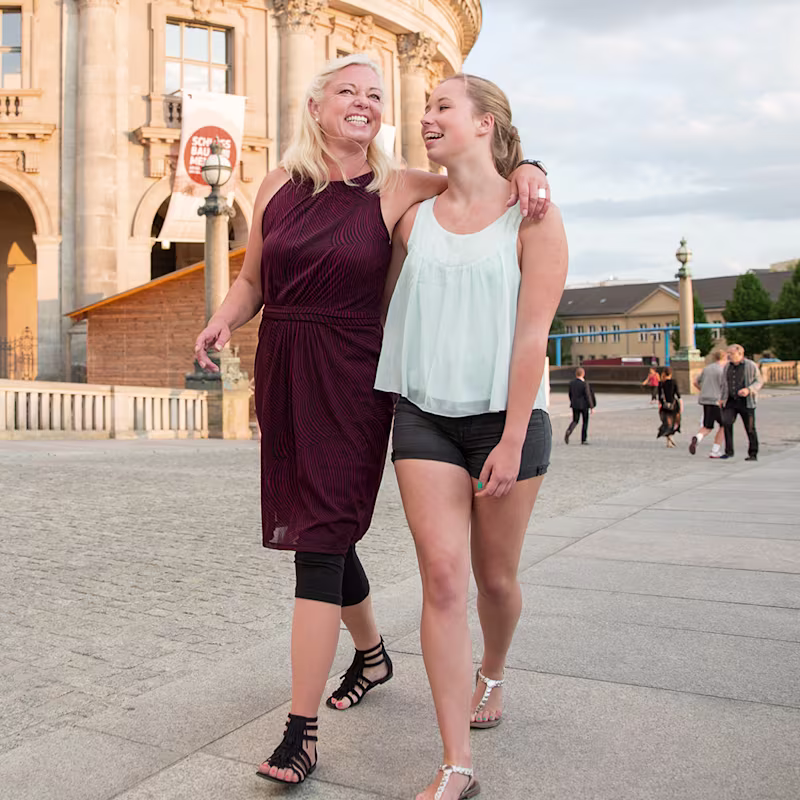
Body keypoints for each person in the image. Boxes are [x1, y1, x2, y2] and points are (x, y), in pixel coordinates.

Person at [192, 54, 551, 787]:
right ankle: (373, 655)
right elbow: (253, 278)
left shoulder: (400, 186)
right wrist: (224, 319)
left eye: (376, 94)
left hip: (355, 376)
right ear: (315, 106)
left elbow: (478, 180)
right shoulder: (275, 186)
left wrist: (530, 167)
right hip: (286, 369)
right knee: (318, 523)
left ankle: (301, 731)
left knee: (322, 537)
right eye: (348, 92)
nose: (364, 102)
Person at [375, 73, 568, 800]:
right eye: (424, 107)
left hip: (506, 420)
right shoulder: (409, 215)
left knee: (495, 579)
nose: (426, 116)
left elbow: (531, 338)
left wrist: (512, 440)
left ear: (486, 123)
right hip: (423, 413)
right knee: (443, 578)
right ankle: (456, 761)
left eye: (442, 107)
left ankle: (494, 669)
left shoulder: (534, 218)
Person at [719, 343, 763, 461]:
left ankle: (753, 453)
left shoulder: (750, 365)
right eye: (728, 353)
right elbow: (724, 383)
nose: (729, 356)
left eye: (732, 353)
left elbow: (759, 381)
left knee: (750, 427)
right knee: (726, 422)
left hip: (746, 401)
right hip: (730, 401)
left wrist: (749, 390)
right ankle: (729, 451)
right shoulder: (727, 366)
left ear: (740, 354)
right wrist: (722, 398)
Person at [689, 349, 727, 458]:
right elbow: (725, 386)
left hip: (706, 399)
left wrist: (703, 390)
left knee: (707, 426)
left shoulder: (707, 368)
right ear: (724, 358)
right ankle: (715, 450)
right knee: (724, 425)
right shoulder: (722, 370)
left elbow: (695, 382)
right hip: (717, 400)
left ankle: (698, 437)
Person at [564, 366, 596, 445]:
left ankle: (569, 430)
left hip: (575, 405)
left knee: (575, 420)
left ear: (576, 374)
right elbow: (588, 395)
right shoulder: (584, 384)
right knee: (585, 422)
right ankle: (583, 439)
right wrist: (591, 407)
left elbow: (570, 394)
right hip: (584, 405)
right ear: (583, 374)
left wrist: (572, 401)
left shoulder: (572, 383)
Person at [657, 366, 681, 447]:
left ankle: (669, 441)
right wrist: (681, 405)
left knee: (667, 423)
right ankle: (670, 437)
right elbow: (678, 394)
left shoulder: (661, 383)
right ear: (671, 373)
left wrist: (660, 406)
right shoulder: (673, 382)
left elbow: (660, 396)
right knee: (674, 422)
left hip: (664, 405)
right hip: (673, 405)